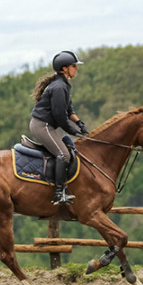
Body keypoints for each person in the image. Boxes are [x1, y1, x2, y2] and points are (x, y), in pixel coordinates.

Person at [29, 50, 90, 205]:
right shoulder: (58, 87)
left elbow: (69, 111)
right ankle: (58, 194)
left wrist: (80, 123)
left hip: (47, 126)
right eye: (74, 66)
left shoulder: (64, 85)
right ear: (64, 69)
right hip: (42, 126)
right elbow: (60, 116)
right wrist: (73, 130)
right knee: (64, 155)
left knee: (68, 147)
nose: (76, 68)